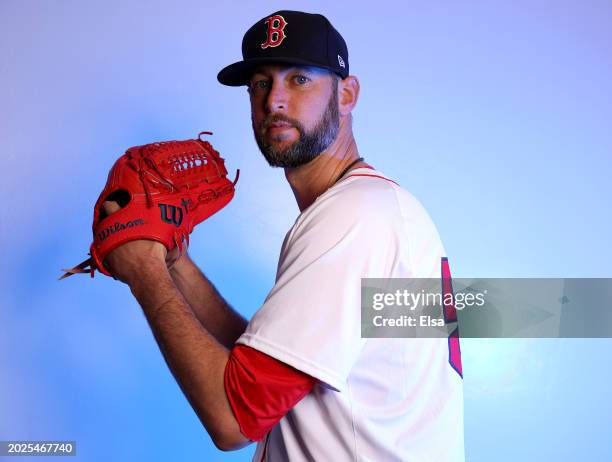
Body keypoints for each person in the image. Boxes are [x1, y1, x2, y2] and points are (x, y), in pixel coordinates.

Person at [102, 10, 465, 461]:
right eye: (260, 83)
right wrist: (175, 264)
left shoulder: (354, 217)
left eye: (299, 80)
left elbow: (234, 417)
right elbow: (261, 364)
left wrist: (144, 269)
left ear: (347, 93)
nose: (274, 100)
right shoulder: (371, 209)